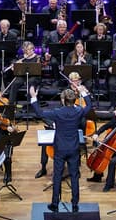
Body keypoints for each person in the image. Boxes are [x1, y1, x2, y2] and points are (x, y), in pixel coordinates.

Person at [30, 83, 91, 213]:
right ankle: (75, 204)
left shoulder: (58, 112)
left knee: (57, 176)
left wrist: (34, 97)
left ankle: (54, 204)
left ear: (63, 100)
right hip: (74, 148)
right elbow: (90, 106)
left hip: (60, 148)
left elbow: (40, 112)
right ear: (74, 99)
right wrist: (84, 92)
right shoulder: (79, 111)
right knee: (74, 176)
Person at [7, 41, 41, 106]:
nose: (31, 50)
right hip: (23, 75)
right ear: (25, 51)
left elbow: (42, 65)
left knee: (31, 82)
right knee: (15, 83)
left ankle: (30, 103)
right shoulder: (21, 57)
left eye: (31, 49)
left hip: (34, 76)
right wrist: (15, 66)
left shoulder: (37, 57)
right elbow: (15, 67)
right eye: (28, 49)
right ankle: (11, 104)